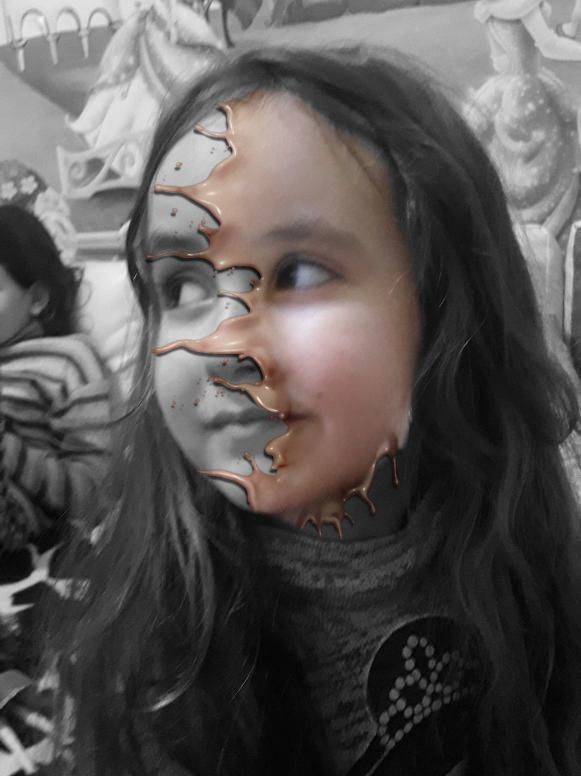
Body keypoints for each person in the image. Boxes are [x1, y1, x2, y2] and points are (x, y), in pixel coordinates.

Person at [50, 48, 581, 776]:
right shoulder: (152, 669)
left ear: (443, 300)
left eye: (297, 272)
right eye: (182, 286)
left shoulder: (532, 564)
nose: (221, 345)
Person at [0, 205, 110, 772]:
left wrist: (8, 449)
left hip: (31, 529)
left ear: (37, 298)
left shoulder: (70, 360)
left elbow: (95, 492)